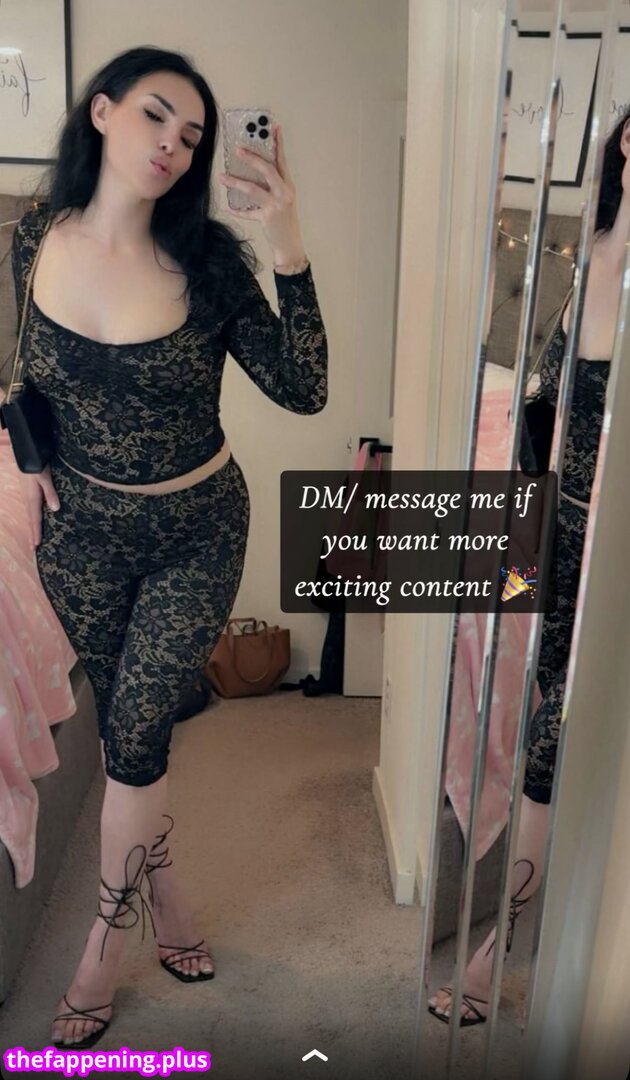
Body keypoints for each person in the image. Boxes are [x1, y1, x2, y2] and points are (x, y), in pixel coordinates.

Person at [10, 46, 327, 1049]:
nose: (173, 146)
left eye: (191, 136)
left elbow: (305, 390)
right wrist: (29, 455)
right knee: (127, 745)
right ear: (102, 113)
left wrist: (286, 244)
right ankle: (174, 903)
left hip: (197, 529)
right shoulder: (33, 237)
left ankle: (100, 954)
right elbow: (23, 371)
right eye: (155, 116)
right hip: (80, 538)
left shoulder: (210, 267)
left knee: (141, 736)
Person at [428, 103, 628, 1026]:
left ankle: (492, 958)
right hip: (559, 536)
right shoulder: (591, 258)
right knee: (548, 725)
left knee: (559, 752)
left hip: (612, 553)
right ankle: (522, 930)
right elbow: (544, 411)